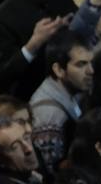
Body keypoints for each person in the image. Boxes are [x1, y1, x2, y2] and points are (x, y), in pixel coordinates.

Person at [28, 32, 92, 170]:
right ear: (59, 70)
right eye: (81, 64)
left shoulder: (71, 92)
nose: (90, 71)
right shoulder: (50, 116)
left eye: (90, 63)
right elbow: (50, 172)